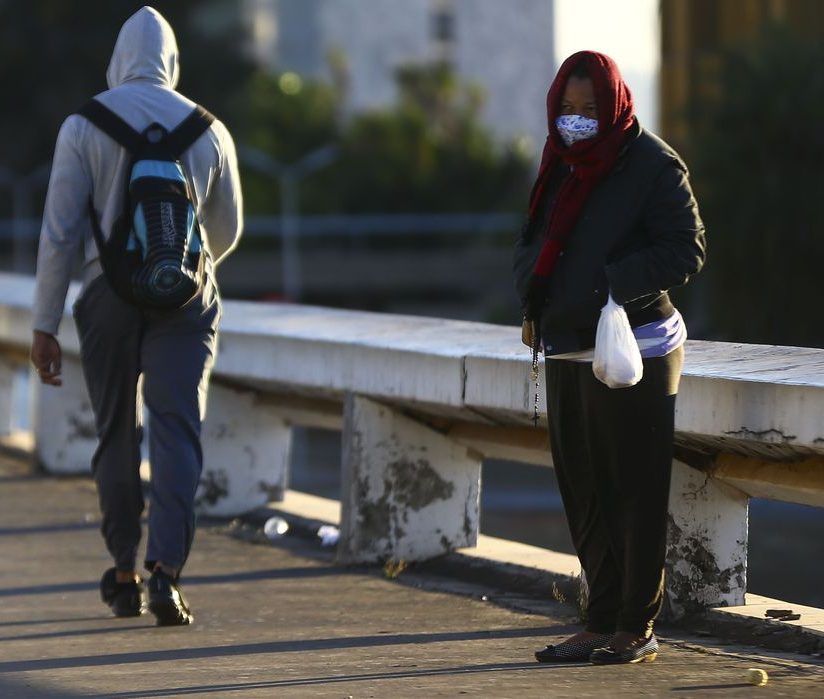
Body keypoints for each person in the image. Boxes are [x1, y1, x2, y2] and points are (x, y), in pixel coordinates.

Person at [30, 6, 242, 626]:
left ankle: (123, 572)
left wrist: (44, 324)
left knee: (117, 431)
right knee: (178, 429)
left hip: (107, 295)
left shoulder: (83, 125)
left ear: (118, 60)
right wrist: (178, 268)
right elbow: (226, 230)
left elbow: (59, 233)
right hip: (186, 301)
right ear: (172, 62)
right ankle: (166, 573)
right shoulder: (210, 129)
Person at [513, 51, 706, 664]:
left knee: (634, 489)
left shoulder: (652, 164)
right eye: (567, 109)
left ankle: (635, 627)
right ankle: (598, 620)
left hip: (635, 348)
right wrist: (534, 293)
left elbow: (686, 248)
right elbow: (534, 239)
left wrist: (608, 285)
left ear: (615, 106)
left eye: (590, 109)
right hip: (569, 345)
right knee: (584, 489)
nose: (576, 121)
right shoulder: (559, 163)